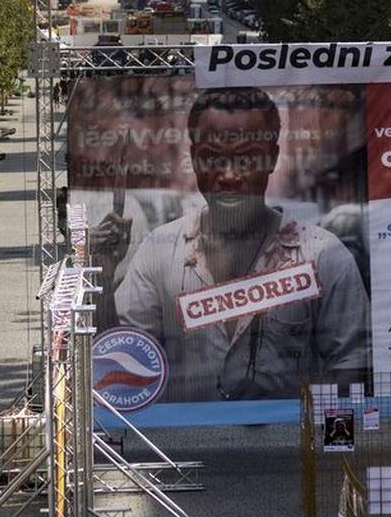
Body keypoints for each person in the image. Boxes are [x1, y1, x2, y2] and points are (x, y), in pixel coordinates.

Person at [99, 87, 370, 402]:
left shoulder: (322, 255)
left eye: (246, 158)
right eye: (213, 158)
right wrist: (103, 278)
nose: (228, 175)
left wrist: (301, 419)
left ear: (272, 158)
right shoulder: (158, 251)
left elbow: (354, 365)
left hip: (289, 436)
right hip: (184, 436)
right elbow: (119, 367)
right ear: (195, 159)